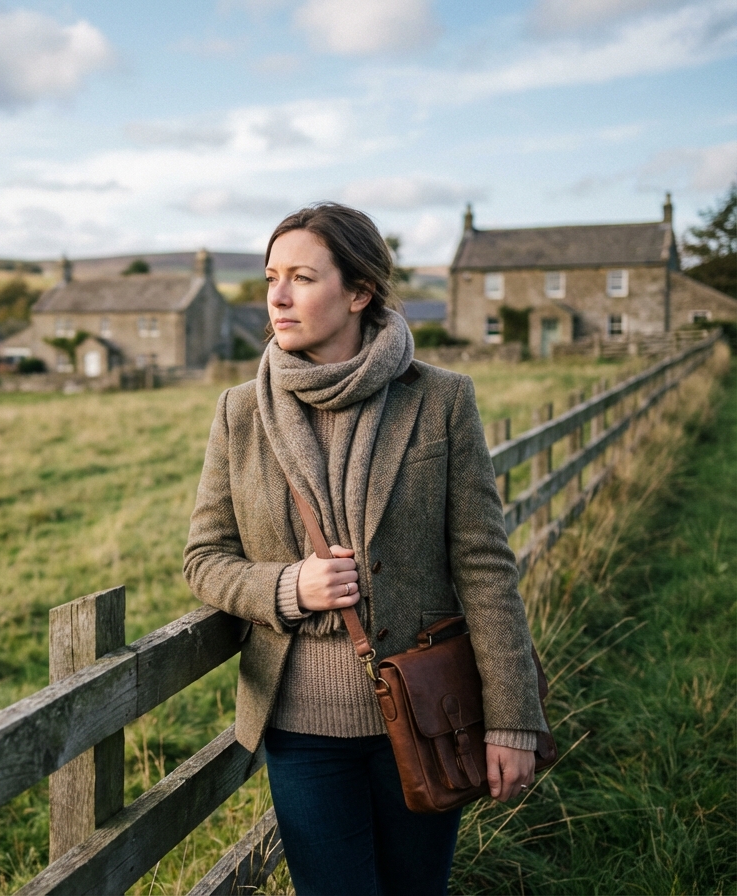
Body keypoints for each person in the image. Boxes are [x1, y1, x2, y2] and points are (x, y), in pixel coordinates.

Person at [183, 203, 548, 896]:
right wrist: (291, 588)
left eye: (302, 277)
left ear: (359, 293)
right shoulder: (240, 412)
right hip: (301, 729)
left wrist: (513, 717)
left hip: (428, 711)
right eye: (270, 278)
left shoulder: (440, 399)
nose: (279, 297)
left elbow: (484, 566)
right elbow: (203, 558)